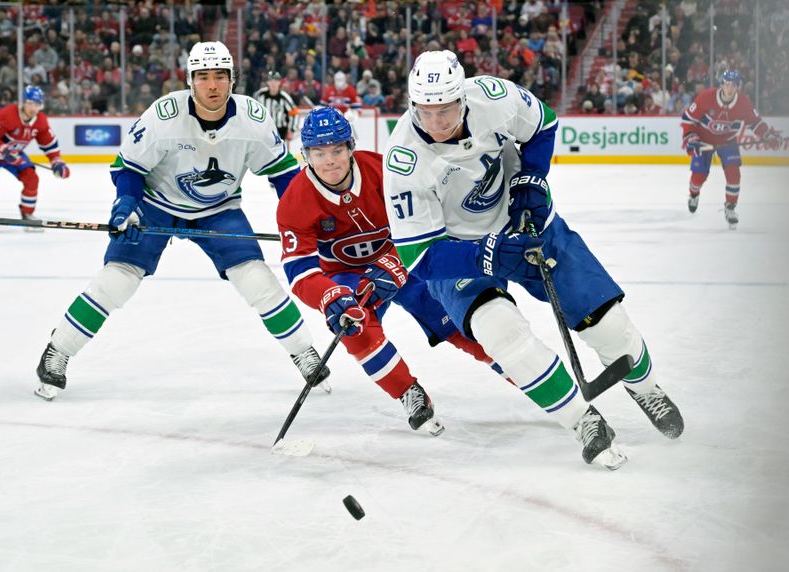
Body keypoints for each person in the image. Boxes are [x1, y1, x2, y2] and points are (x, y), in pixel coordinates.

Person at [384, 50, 685, 469]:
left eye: (446, 110)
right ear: (413, 103)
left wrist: (531, 180)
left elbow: (542, 124)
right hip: (458, 254)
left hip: (528, 225)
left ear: (463, 99)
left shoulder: (493, 96)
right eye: (425, 111)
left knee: (608, 323)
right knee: (501, 334)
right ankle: (582, 421)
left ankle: (646, 387)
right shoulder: (404, 161)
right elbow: (419, 258)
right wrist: (484, 256)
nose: (435, 122)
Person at [34, 41, 329, 401]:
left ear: (232, 79)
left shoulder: (252, 118)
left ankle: (303, 352)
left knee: (257, 280)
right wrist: (126, 203)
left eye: (220, 76)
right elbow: (127, 166)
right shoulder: (164, 115)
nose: (212, 85)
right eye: (203, 77)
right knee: (117, 280)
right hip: (157, 204)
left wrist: (307, 218)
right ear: (190, 81)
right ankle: (57, 350)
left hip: (219, 210)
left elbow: (284, 175)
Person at [276, 106, 507, 436]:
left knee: (458, 319)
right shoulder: (295, 201)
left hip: (408, 260)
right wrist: (329, 295)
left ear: (350, 147)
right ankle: (407, 391)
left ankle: (523, 370)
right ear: (306, 154)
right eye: (319, 152)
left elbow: (430, 221)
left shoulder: (383, 171)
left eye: (337, 150)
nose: (329, 161)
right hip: (347, 276)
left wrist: (396, 261)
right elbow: (299, 271)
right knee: (353, 326)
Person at [682, 69, 783, 229]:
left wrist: (767, 135)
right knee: (698, 177)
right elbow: (688, 119)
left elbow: (755, 123)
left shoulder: (744, 103)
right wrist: (691, 138)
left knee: (734, 175)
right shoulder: (706, 97)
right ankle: (694, 194)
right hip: (703, 140)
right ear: (722, 84)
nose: (729, 88)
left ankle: (730, 208)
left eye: (733, 85)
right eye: (727, 84)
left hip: (727, 141)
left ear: (738, 87)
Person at [0, 85, 70, 222]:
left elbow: (49, 144)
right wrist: (3, 149)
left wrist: (57, 162)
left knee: (31, 178)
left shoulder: (41, 121)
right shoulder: (7, 114)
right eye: (30, 103)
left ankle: (27, 214)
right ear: (23, 103)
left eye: (37, 104)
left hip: (14, 155)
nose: (33, 108)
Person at [254, 70, 300, 142]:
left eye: (276, 80)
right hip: (263, 130)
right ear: (267, 82)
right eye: (271, 80)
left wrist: (292, 129)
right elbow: (252, 111)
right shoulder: (260, 95)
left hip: (280, 131)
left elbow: (294, 113)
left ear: (279, 82)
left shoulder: (284, 97)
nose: (273, 83)